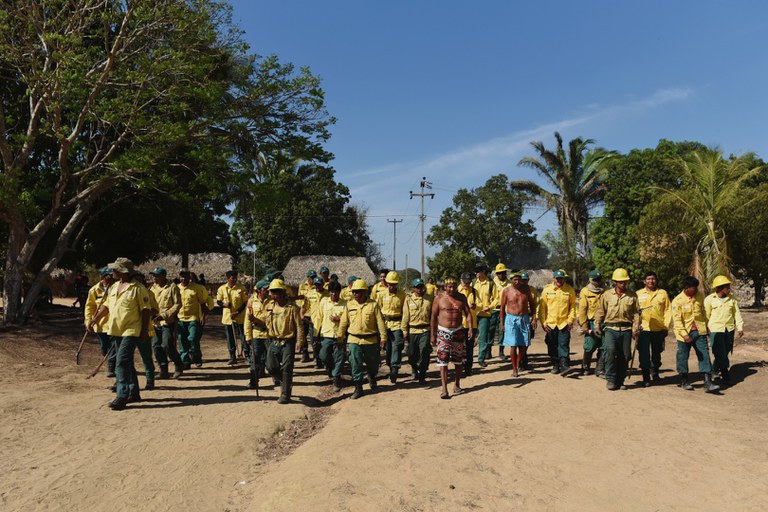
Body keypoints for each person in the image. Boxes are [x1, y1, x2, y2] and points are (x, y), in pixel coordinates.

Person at [87, 258, 151, 410]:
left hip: (131, 330)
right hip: (116, 330)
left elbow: (146, 311)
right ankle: (134, 392)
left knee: (120, 361)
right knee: (126, 361)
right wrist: (94, 320)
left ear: (123, 271)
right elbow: (106, 306)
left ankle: (122, 396)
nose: (112, 272)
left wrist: (144, 330)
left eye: (115, 269)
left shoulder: (138, 288)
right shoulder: (114, 287)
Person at [338, 279, 387, 399]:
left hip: (370, 340)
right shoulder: (349, 305)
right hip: (354, 339)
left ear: (365, 292)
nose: (356, 294)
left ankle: (371, 376)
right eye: (354, 292)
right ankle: (358, 388)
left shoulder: (373, 305)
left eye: (359, 292)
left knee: (373, 364)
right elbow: (344, 322)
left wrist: (383, 337)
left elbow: (380, 322)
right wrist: (340, 337)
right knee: (355, 363)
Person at [593, 268, 640, 390]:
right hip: (610, 329)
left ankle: (621, 380)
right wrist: (597, 325)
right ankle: (611, 379)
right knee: (610, 352)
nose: (623, 284)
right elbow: (600, 311)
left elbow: (636, 313)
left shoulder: (633, 296)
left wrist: (636, 327)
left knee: (625, 355)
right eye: (620, 282)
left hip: (626, 329)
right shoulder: (607, 295)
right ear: (615, 282)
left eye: (625, 281)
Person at [671, 276, 720, 393]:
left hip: (699, 331)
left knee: (704, 355)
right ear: (686, 288)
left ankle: (708, 382)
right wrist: (684, 334)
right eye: (693, 288)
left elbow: (703, 313)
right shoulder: (677, 301)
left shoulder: (699, 297)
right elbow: (677, 321)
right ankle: (684, 380)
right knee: (682, 357)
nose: (696, 290)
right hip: (684, 333)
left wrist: (707, 326)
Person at [261, 278, 304, 404]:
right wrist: (253, 320)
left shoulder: (292, 308)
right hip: (273, 340)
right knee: (271, 367)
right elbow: (264, 322)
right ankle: (286, 382)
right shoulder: (269, 307)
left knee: (287, 367)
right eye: (272, 292)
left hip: (288, 341)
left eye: (276, 292)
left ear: (282, 292)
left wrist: (299, 341)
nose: (273, 295)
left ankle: (285, 394)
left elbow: (299, 326)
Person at [431, 277, 473, 399]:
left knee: (458, 360)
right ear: (445, 287)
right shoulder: (438, 298)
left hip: (458, 331)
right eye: (449, 287)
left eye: (454, 287)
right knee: (442, 360)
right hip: (443, 332)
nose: (452, 289)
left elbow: (468, 314)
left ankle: (457, 384)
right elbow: (433, 317)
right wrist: (432, 335)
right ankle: (444, 388)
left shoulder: (461, 298)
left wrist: (470, 328)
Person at [704, 275, 744, 386]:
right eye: (726, 286)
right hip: (715, 329)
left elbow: (737, 314)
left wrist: (740, 327)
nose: (729, 288)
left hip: (729, 329)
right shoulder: (709, 300)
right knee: (718, 350)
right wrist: (705, 328)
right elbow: (706, 315)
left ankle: (715, 369)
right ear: (719, 288)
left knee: (726, 350)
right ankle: (725, 371)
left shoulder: (732, 300)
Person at [636, 271, 672, 386]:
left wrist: (666, 326)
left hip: (658, 329)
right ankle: (645, 376)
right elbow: (634, 313)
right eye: (648, 279)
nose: (651, 281)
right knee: (644, 353)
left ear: (656, 280)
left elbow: (668, 310)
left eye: (653, 279)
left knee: (657, 352)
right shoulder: (637, 294)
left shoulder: (662, 293)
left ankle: (655, 372)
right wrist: (634, 328)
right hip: (643, 329)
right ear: (644, 281)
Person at [539, 269, 576, 374]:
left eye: (561, 278)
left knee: (564, 344)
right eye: (557, 278)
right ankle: (555, 365)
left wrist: (570, 320)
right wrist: (543, 322)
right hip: (550, 323)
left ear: (564, 278)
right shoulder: (547, 290)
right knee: (552, 345)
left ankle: (564, 366)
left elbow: (573, 306)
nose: (559, 280)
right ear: (554, 279)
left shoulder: (569, 290)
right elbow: (542, 307)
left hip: (564, 323)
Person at [149, 267, 184, 379]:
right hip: (154, 322)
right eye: (154, 275)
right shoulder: (152, 288)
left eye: (156, 276)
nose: (154, 278)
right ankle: (163, 369)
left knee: (167, 344)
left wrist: (164, 315)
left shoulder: (172, 287)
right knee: (156, 346)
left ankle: (178, 364)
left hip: (167, 321)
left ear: (163, 276)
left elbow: (177, 304)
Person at [500, 273, 537, 377]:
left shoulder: (526, 289)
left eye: (519, 280)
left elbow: (532, 304)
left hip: (524, 318)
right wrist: (502, 324)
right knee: (513, 344)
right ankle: (514, 368)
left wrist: (534, 318)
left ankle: (518, 362)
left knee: (525, 344)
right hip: (511, 319)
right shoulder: (506, 291)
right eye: (514, 280)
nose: (517, 282)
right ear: (511, 280)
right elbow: (502, 308)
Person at [315, 281, 347, 392]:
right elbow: (318, 318)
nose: (334, 295)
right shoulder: (324, 302)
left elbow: (348, 320)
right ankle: (329, 368)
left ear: (339, 292)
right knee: (323, 356)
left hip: (339, 336)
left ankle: (336, 379)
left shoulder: (345, 304)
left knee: (339, 358)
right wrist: (316, 334)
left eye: (336, 292)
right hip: (326, 334)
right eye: (332, 292)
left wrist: (339, 319)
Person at [84, 267, 115, 377]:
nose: (112, 277)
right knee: (104, 348)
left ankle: (111, 367)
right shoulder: (94, 290)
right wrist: (88, 321)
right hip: (100, 325)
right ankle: (110, 363)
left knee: (113, 346)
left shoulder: (116, 288)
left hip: (114, 324)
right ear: (103, 277)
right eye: (109, 276)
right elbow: (89, 307)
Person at [376, 270, 406, 382]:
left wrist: (404, 327)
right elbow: (377, 311)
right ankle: (390, 365)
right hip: (385, 324)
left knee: (397, 346)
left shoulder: (402, 295)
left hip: (397, 324)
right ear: (387, 283)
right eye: (390, 284)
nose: (392, 286)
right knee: (388, 348)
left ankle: (395, 369)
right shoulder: (381, 294)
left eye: (394, 284)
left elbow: (405, 312)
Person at [402, 278, 433, 384]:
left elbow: (433, 317)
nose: (419, 289)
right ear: (413, 288)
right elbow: (405, 316)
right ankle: (414, 368)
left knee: (424, 351)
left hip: (425, 330)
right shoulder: (408, 299)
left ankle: (422, 374)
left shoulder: (429, 299)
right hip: (412, 330)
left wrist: (434, 331)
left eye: (421, 287)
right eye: (417, 287)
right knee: (412, 354)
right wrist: (404, 331)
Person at [177, 269, 208, 368]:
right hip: (180, 319)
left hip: (193, 318)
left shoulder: (196, 288)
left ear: (190, 277)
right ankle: (185, 361)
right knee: (182, 340)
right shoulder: (176, 289)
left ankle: (197, 357)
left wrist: (203, 317)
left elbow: (203, 304)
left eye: (186, 276)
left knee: (193, 338)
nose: (183, 278)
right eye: (181, 276)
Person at [216, 270, 249, 365]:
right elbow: (218, 301)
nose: (234, 280)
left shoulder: (241, 288)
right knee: (230, 337)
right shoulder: (222, 289)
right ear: (228, 279)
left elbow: (245, 303)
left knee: (243, 336)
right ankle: (232, 356)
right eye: (232, 278)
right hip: (228, 318)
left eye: (235, 278)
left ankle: (246, 355)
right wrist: (224, 304)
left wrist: (237, 312)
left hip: (240, 317)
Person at [243, 280, 271, 393]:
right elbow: (247, 320)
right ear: (259, 290)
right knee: (255, 360)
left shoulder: (271, 301)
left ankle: (277, 378)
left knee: (271, 359)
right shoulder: (251, 301)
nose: (267, 291)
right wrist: (248, 336)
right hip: (256, 334)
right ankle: (253, 381)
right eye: (265, 289)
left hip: (269, 334)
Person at [577, 270, 605, 377]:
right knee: (590, 346)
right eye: (595, 280)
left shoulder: (605, 291)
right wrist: (584, 325)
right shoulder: (585, 291)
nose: (598, 281)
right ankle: (585, 366)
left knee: (604, 346)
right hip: (591, 322)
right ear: (590, 280)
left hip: (604, 322)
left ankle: (600, 368)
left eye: (599, 279)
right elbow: (582, 310)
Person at [473, 264, 497, 368]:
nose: (476, 273)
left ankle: (481, 358)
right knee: (470, 337)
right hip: (473, 314)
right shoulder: (473, 283)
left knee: (483, 337)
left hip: (485, 315)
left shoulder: (491, 283)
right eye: (476, 271)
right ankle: (468, 358)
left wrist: (490, 307)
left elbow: (497, 298)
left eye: (478, 271)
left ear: (484, 272)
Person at [301, 276, 327, 367]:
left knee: (324, 343)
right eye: (316, 285)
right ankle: (318, 360)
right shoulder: (310, 294)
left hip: (325, 324)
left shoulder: (327, 294)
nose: (317, 287)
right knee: (314, 343)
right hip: (313, 324)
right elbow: (305, 307)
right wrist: (302, 315)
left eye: (319, 285)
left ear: (323, 284)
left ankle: (325, 360)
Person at [458, 273, 478, 376]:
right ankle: (459, 369)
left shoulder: (474, 291)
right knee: (460, 348)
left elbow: (480, 304)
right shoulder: (456, 291)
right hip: (459, 324)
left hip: (472, 324)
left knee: (469, 348)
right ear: (461, 281)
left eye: (469, 282)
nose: (467, 284)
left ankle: (468, 369)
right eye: (465, 282)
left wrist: (476, 306)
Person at [491, 263, 511, 360]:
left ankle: (501, 351)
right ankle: (488, 351)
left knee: (502, 331)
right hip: (493, 309)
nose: (501, 275)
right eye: (499, 273)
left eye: (503, 273)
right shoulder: (492, 283)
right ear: (496, 274)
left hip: (505, 310)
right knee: (490, 330)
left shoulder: (510, 284)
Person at [518, 270, 538, 370]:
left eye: (526, 280)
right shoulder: (516, 290)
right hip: (518, 318)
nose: (524, 282)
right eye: (522, 280)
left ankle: (523, 360)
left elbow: (536, 305)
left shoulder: (533, 290)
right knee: (518, 342)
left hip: (529, 318)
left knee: (526, 341)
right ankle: (521, 361)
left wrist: (535, 319)